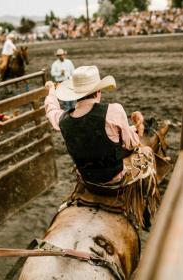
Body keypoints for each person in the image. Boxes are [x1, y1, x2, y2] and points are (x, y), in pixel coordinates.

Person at [45, 65, 159, 229]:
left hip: (88, 179)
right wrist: (135, 129)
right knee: (147, 151)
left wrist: (50, 90)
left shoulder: (63, 120)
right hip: (114, 178)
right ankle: (146, 211)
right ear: (98, 91)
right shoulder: (114, 110)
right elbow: (131, 144)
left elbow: (51, 109)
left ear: (76, 95)